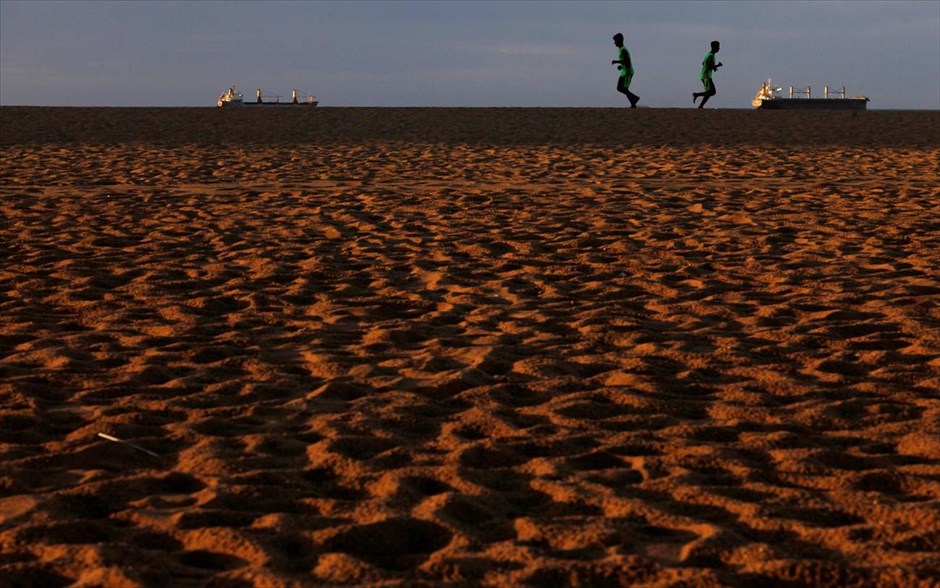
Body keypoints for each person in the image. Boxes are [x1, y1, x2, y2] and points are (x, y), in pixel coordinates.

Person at [611, 33, 639, 108]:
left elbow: (627, 62)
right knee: (621, 88)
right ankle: (634, 101)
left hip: (628, 72)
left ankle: (634, 101)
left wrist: (616, 62)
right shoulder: (621, 50)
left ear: (620, 40)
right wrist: (621, 66)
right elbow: (625, 61)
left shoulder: (623, 50)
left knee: (622, 88)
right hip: (624, 71)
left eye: (615, 41)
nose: (614, 43)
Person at [693, 41, 722, 108]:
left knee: (710, 92)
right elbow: (708, 66)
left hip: (706, 75)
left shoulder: (709, 55)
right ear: (714, 47)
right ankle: (697, 98)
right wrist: (717, 66)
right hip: (706, 76)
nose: (719, 48)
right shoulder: (711, 56)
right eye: (718, 47)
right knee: (712, 91)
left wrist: (714, 67)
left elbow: (703, 63)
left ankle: (699, 101)